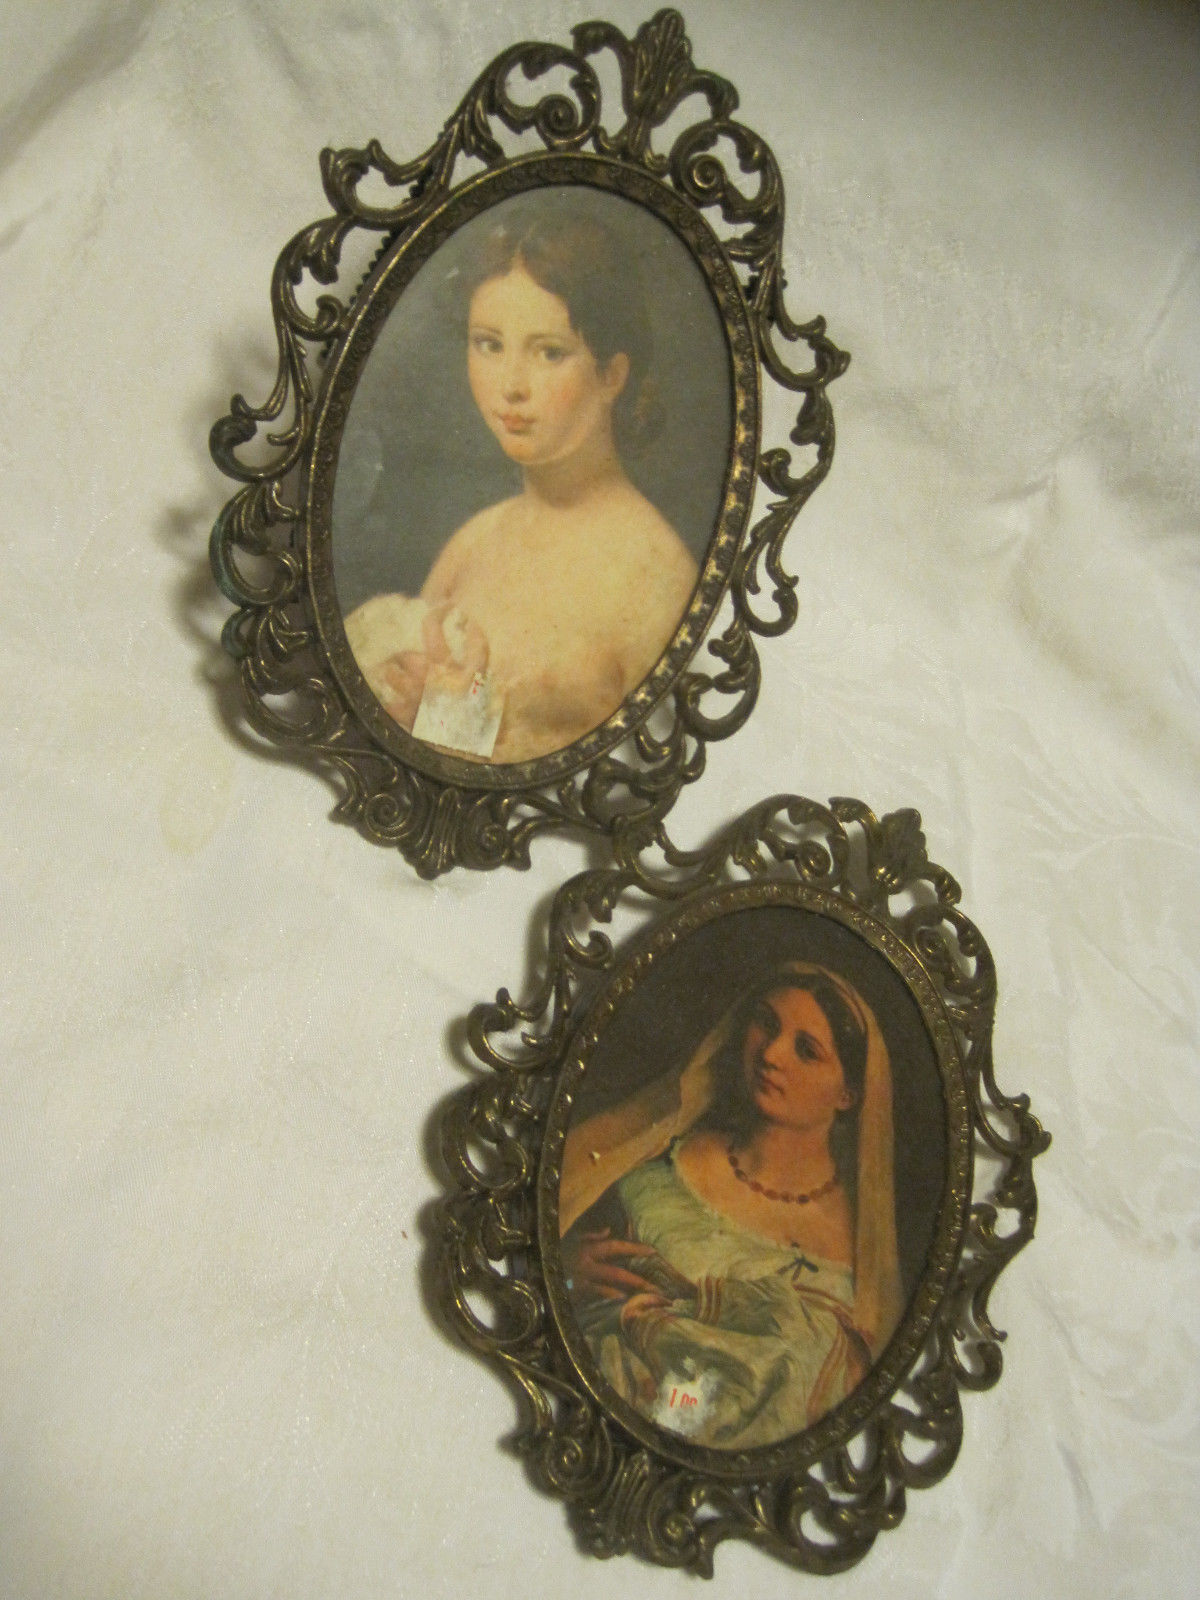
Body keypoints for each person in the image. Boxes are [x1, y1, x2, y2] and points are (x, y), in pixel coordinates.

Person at [344, 200, 699, 765]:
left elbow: (617, 771)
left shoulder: (659, 576)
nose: (510, 385)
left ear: (612, 374)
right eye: (489, 344)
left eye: (550, 352)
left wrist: (441, 722)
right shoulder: (473, 542)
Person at [558, 963, 901, 1451]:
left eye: (806, 1050)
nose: (771, 1054)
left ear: (848, 1093)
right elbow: (560, 1263)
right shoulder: (652, 1160)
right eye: (766, 1023)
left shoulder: (860, 1246)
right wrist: (566, 1271)